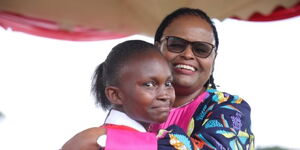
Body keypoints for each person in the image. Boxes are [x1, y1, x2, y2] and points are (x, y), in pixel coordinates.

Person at [62, 7, 255, 150]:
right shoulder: (135, 104)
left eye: (201, 49)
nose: (188, 54)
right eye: (176, 44)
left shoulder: (230, 108)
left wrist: (109, 140)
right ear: (157, 47)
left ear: (213, 58)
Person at [61, 40, 184, 150]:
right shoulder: (99, 142)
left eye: (168, 83)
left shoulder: (96, 139)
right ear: (115, 95)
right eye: (149, 84)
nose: (165, 95)